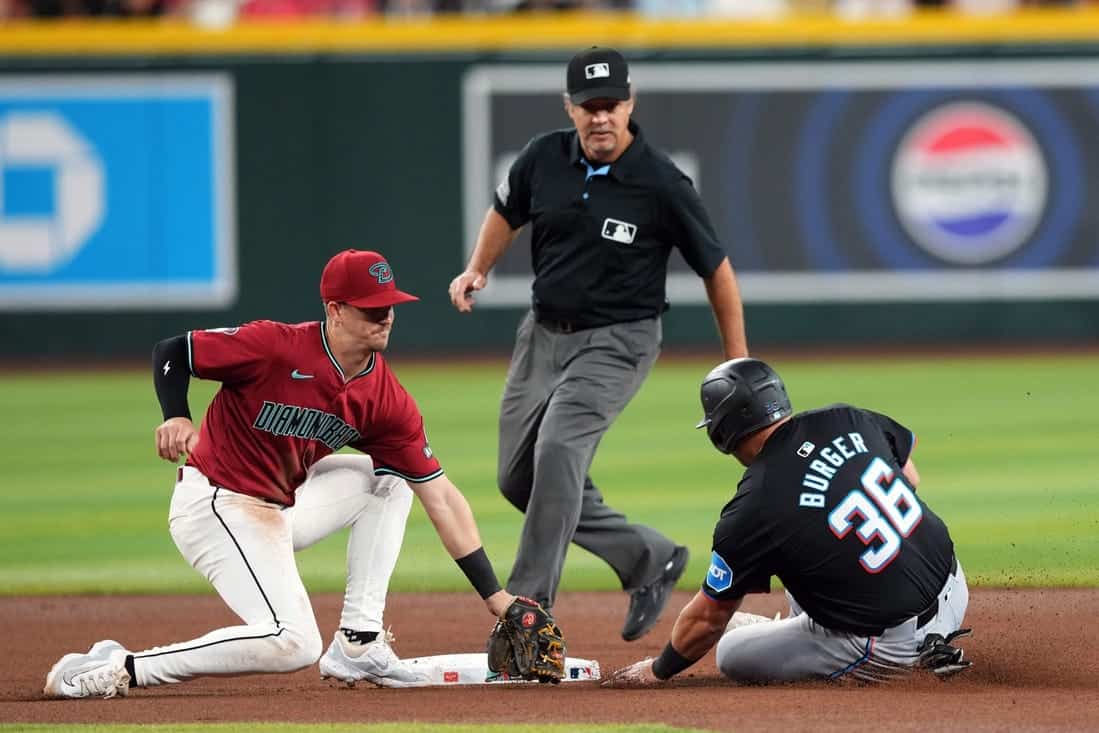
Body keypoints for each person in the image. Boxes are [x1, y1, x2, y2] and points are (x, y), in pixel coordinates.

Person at [44, 249, 556, 699]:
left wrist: (496, 597)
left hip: (281, 508)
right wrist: (175, 413)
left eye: (390, 307)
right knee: (292, 642)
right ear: (335, 310)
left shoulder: (386, 398)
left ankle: (359, 642)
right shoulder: (275, 346)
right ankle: (123, 668)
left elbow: (440, 496)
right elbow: (173, 352)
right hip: (215, 505)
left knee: (391, 477)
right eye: (372, 309)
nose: (385, 318)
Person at [448, 46, 748, 642]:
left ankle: (528, 611)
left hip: (620, 340)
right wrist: (477, 268)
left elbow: (716, 270)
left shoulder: (661, 182)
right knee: (518, 479)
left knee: (558, 448)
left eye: (611, 104)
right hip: (541, 335)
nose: (601, 117)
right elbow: (505, 212)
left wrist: (737, 359)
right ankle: (647, 557)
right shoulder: (543, 158)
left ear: (630, 104)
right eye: (589, 107)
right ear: (570, 108)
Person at [606, 358, 971, 687]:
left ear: (722, 433)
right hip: (953, 586)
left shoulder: (755, 506)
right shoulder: (845, 417)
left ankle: (915, 654)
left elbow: (708, 618)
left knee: (730, 650)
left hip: (891, 644)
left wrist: (657, 670)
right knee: (805, 549)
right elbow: (910, 475)